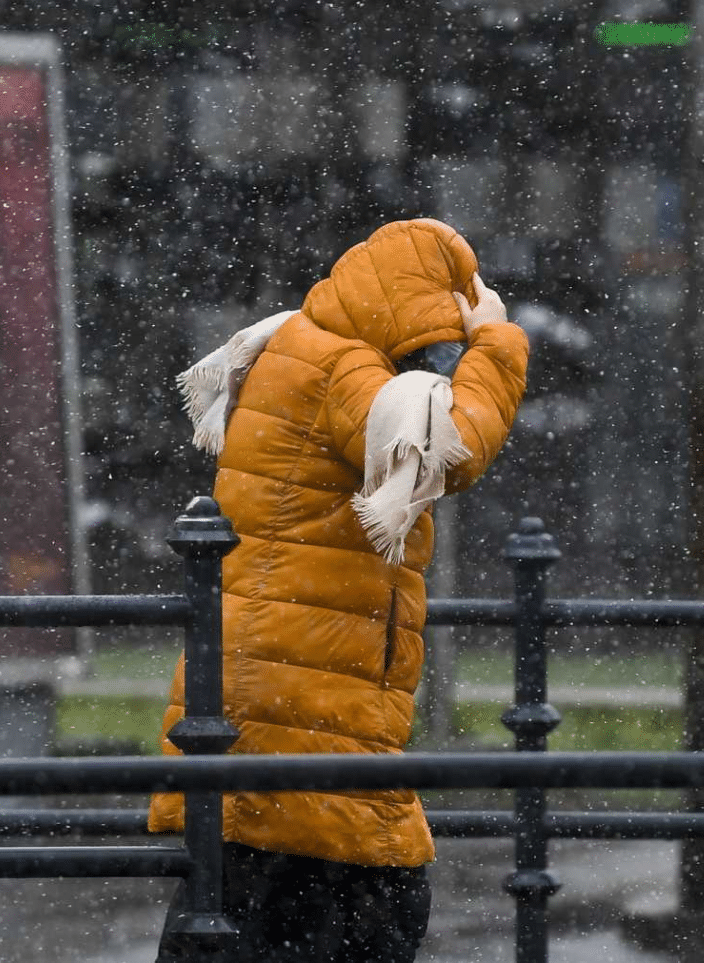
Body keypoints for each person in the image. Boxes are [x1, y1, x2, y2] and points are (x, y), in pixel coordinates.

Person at [150, 217, 530, 963]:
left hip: (273, 679)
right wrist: (498, 344)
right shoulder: (344, 370)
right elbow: (448, 446)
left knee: (258, 888)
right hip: (307, 689)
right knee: (367, 885)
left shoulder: (295, 346)